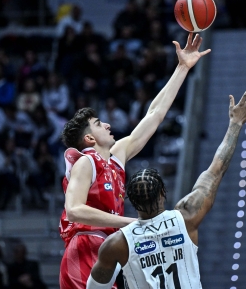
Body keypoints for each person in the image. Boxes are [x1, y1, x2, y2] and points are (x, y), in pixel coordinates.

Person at [58, 33, 210, 289]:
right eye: (98, 124)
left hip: (111, 249)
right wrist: (131, 223)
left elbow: (154, 114)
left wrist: (182, 68)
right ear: (89, 139)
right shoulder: (86, 162)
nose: (107, 124)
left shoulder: (118, 155)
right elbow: (74, 210)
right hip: (85, 247)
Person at [87, 87, 246, 288]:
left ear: (131, 200)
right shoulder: (187, 217)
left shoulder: (117, 243)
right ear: (163, 193)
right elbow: (215, 170)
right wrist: (235, 124)